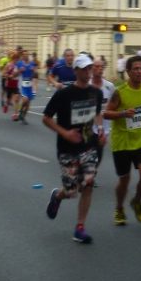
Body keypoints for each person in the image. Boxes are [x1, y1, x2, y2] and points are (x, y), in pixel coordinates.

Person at [43, 54, 104, 244]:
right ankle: (57, 195)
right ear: (76, 71)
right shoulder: (64, 94)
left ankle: (80, 227)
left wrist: (101, 131)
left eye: (90, 68)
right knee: (71, 191)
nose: (88, 71)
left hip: (88, 145)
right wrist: (65, 133)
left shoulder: (96, 93)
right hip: (67, 148)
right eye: (84, 68)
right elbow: (46, 118)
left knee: (88, 182)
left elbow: (97, 115)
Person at [103, 55, 141, 226]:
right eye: (136, 69)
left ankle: (137, 201)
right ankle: (119, 208)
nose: (139, 72)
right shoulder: (120, 92)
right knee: (124, 180)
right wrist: (123, 114)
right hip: (123, 142)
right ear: (128, 71)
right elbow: (106, 113)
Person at [14, 51, 39, 124]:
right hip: (22, 85)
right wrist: (19, 70)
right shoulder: (19, 64)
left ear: (29, 55)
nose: (26, 56)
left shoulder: (32, 63)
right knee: (25, 100)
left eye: (27, 54)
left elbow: (36, 74)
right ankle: (21, 112)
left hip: (30, 86)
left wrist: (34, 71)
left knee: (28, 104)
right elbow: (14, 75)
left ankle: (23, 117)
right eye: (24, 55)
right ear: (22, 56)